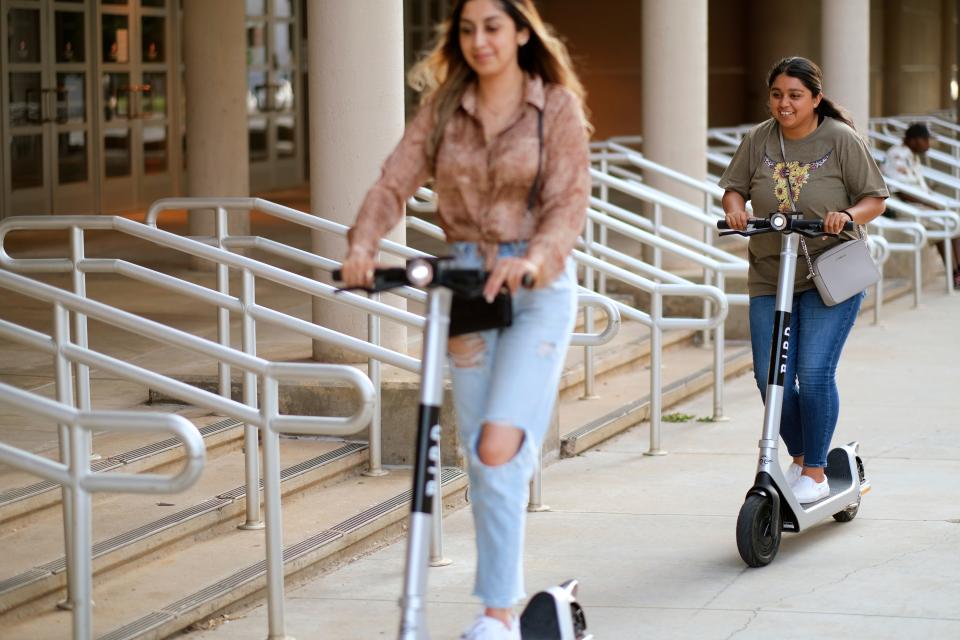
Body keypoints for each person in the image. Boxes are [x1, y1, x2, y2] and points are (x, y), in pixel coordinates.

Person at [341, 1, 590, 638]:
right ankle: (499, 613)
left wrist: (535, 259)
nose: (479, 40)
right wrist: (363, 246)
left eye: (493, 27)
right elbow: (392, 181)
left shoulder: (553, 107)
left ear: (522, 32)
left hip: (537, 290)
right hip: (466, 287)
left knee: (497, 445)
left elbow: (568, 201)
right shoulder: (445, 108)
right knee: (484, 461)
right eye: (468, 29)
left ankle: (497, 612)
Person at [719, 57, 888, 504]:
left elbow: (875, 199)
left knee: (813, 374)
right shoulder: (758, 138)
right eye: (777, 94)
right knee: (767, 376)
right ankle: (802, 457)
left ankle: (814, 469)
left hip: (829, 273)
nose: (784, 104)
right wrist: (734, 209)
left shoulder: (840, 139)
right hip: (771, 275)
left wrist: (846, 215)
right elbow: (733, 187)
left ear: (815, 98)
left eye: (794, 95)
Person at [883, 123, 960, 288]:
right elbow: (901, 192)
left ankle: (957, 273)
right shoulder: (897, 154)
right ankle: (956, 275)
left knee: (951, 223)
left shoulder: (913, 155)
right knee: (946, 223)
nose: (928, 144)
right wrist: (930, 205)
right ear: (913, 139)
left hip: (916, 204)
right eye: (925, 140)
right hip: (901, 206)